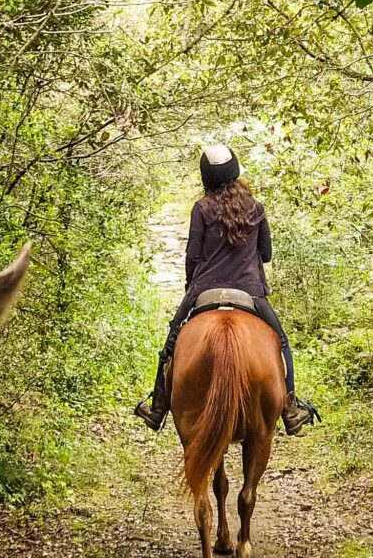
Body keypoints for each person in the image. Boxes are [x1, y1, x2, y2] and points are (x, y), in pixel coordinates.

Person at [134, 144, 318, 434]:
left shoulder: (201, 208)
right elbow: (266, 253)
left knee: (171, 343)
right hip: (250, 291)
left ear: (205, 177)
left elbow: (193, 256)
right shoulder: (255, 208)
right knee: (282, 343)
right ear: (235, 172)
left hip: (204, 288)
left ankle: (157, 408)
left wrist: (191, 289)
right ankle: (291, 409)